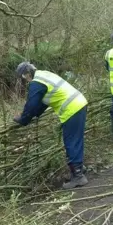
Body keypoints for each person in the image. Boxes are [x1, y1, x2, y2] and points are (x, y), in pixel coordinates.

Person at [13, 61, 89, 189]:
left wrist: (23, 120)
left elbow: (32, 104)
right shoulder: (43, 75)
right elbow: (42, 102)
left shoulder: (36, 83)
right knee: (75, 140)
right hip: (78, 104)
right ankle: (78, 169)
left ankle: (78, 176)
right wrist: (33, 115)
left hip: (72, 109)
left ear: (27, 73)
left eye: (24, 77)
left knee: (71, 141)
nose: (26, 80)